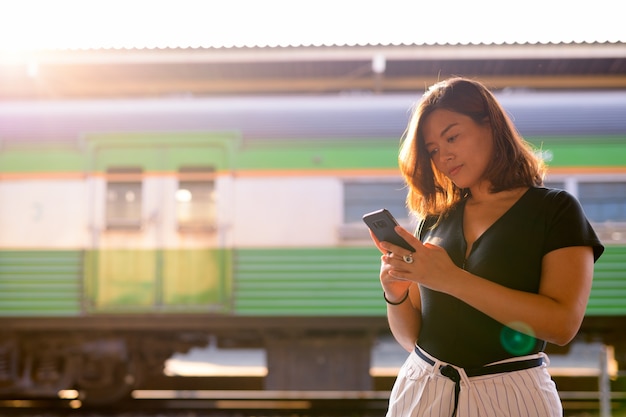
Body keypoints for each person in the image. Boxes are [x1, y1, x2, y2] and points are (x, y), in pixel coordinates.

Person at [369, 77, 604, 417]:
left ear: (491, 126)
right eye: (433, 149)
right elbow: (412, 338)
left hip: (512, 396)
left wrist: (450, 279)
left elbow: (563, 324)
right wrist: (396, 292)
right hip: (420, 392)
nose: (443, 155)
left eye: (452, 136)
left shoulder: (556, 210)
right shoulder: (435, 219)